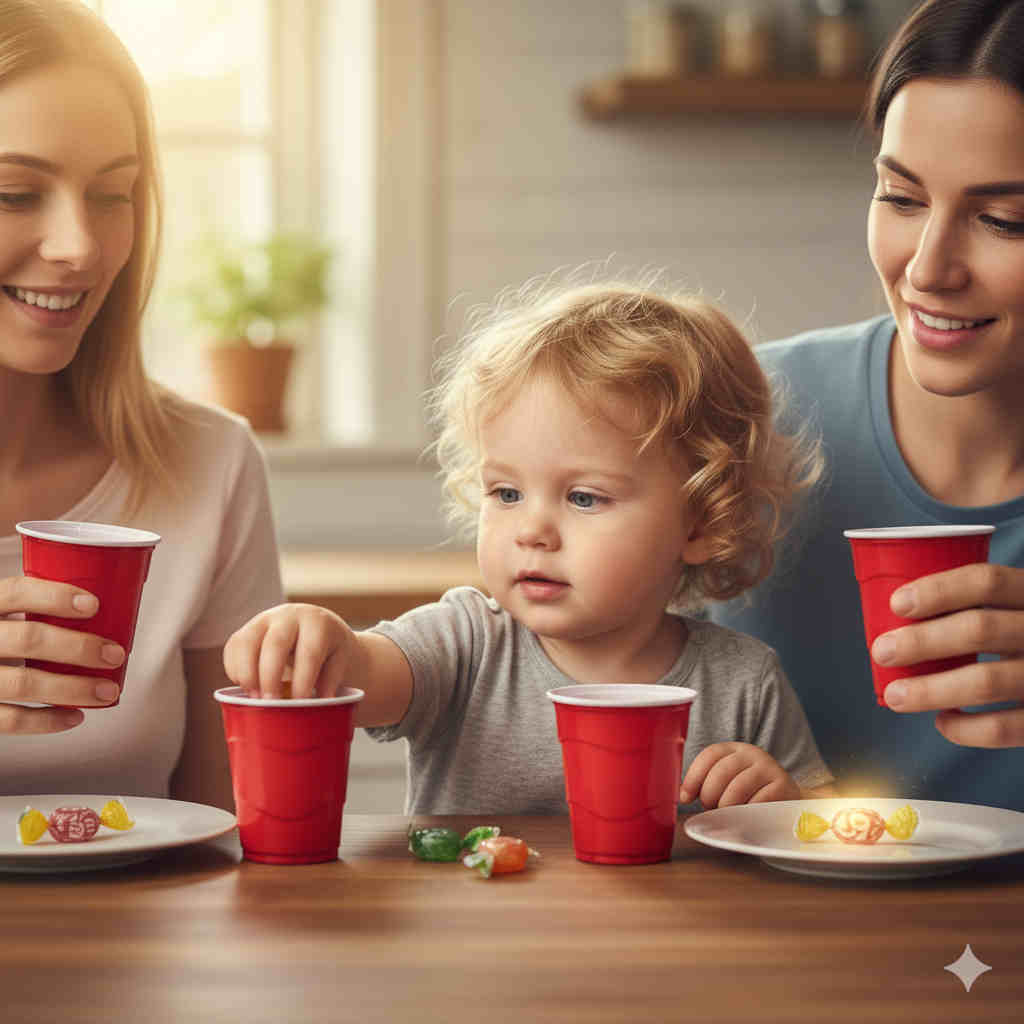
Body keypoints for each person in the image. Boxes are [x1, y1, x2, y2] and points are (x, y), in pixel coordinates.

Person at [224, 280, 835, 814]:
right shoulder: (464, 645)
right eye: (507, 492)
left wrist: (778, 803)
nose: (531, 530)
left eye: (584, 498)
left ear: (699, 524)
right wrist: (326, 645)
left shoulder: (743, 681)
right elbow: (364, 676)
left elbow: (825, 829)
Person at [711, 0, 1024, 811]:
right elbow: (523, 666)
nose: (927, 270)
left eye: (1004, 220)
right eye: (901, 197)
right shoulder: (735, 418)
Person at [0, 0, 283, 809]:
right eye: (15, 192)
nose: (80, 247)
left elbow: (226, 833)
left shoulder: (208, 464)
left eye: (112, 193)